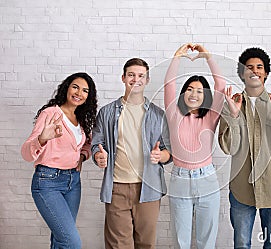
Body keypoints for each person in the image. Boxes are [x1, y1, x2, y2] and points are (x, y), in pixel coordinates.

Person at [218, 47, 271, 249]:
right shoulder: (231, 104)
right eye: (249, 67)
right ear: (242, 74)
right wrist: (234, 117)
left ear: (266, 73)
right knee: (242, 245)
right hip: (241, 190)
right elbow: (228, 147)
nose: (254, 70)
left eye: (259, 67)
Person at [91, 58, 171, 249]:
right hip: (117, 188)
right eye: (131, 75)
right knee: (118, 245)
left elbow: (170, 152)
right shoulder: (107, 112)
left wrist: (161, 156)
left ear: (147, 79)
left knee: (146, 244)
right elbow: (96, 144)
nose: (136, 79)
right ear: (123, 78)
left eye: (141, 75)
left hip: (149, 189)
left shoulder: (158, 115)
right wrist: (98, 156)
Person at [21, 72, 98, 249]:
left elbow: (86, 143)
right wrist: (42, 138)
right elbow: (26, 152)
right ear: (67, 88)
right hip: (48, 182)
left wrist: (82, 156)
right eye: (75, 87)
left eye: (85, 91)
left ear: (88, 97)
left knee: (60, 239)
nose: (79, 93)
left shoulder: (80, 119)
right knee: (71, 241)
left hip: (73, 183)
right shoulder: (50, 114)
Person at [164, 43, 226, 249]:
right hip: (180, 179)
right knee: (181, 239)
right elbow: (169, 85)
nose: (194, 94)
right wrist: (177, 57)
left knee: (206, 240)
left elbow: (221, 86)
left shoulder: (210, 117)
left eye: (199, 91)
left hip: (207, 179)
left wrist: (208, 56)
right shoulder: (174, 114)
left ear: (204, 96)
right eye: (190, 89)